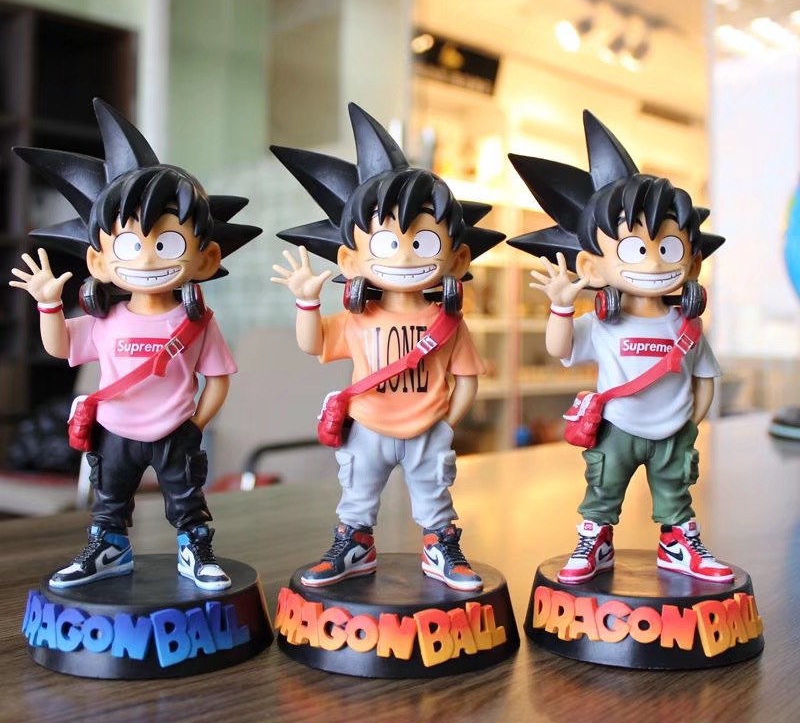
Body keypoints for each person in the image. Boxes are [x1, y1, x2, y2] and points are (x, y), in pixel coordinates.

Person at [9, 99, 261, 591]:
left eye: (166, 245)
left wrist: (195, 424)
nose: (146, 259)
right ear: (99, 262)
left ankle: (195, 550)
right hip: (115, 432)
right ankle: (109, 551)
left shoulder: (198, 322)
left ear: (206, 259)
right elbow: (60, 348)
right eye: (129, 246)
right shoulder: (105, 319)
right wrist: (48, 305)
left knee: (186, 500)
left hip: (174, 433)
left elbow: (217, 380)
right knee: (109, 500)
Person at [271, 103, 503, 591]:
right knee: (357, 497)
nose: (403, 255)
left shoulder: (448, 322)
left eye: (423, 243)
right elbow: (312, 344)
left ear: (458, 258)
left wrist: (445, 423)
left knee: (435, 500)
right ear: (350, 259)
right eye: (385, 244)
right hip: (368, 428)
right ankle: (354, 546)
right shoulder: (360, 317)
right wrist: (306, 303)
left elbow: (466, 380)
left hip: (426, 431)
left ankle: (441, 548)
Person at [507, 110, 733, 584]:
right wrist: (561, 307)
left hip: (672, 434)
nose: (653, 263)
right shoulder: (603, 323)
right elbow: (560, 349)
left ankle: (678, 544)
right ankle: (596, 541)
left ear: (692, 262)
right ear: (593, 266)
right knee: (602, 493)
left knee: (675, 496)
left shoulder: (687, 326)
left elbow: (705, 379)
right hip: (616, 430)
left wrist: (689, 423)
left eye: (668, 249)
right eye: (634, 250)